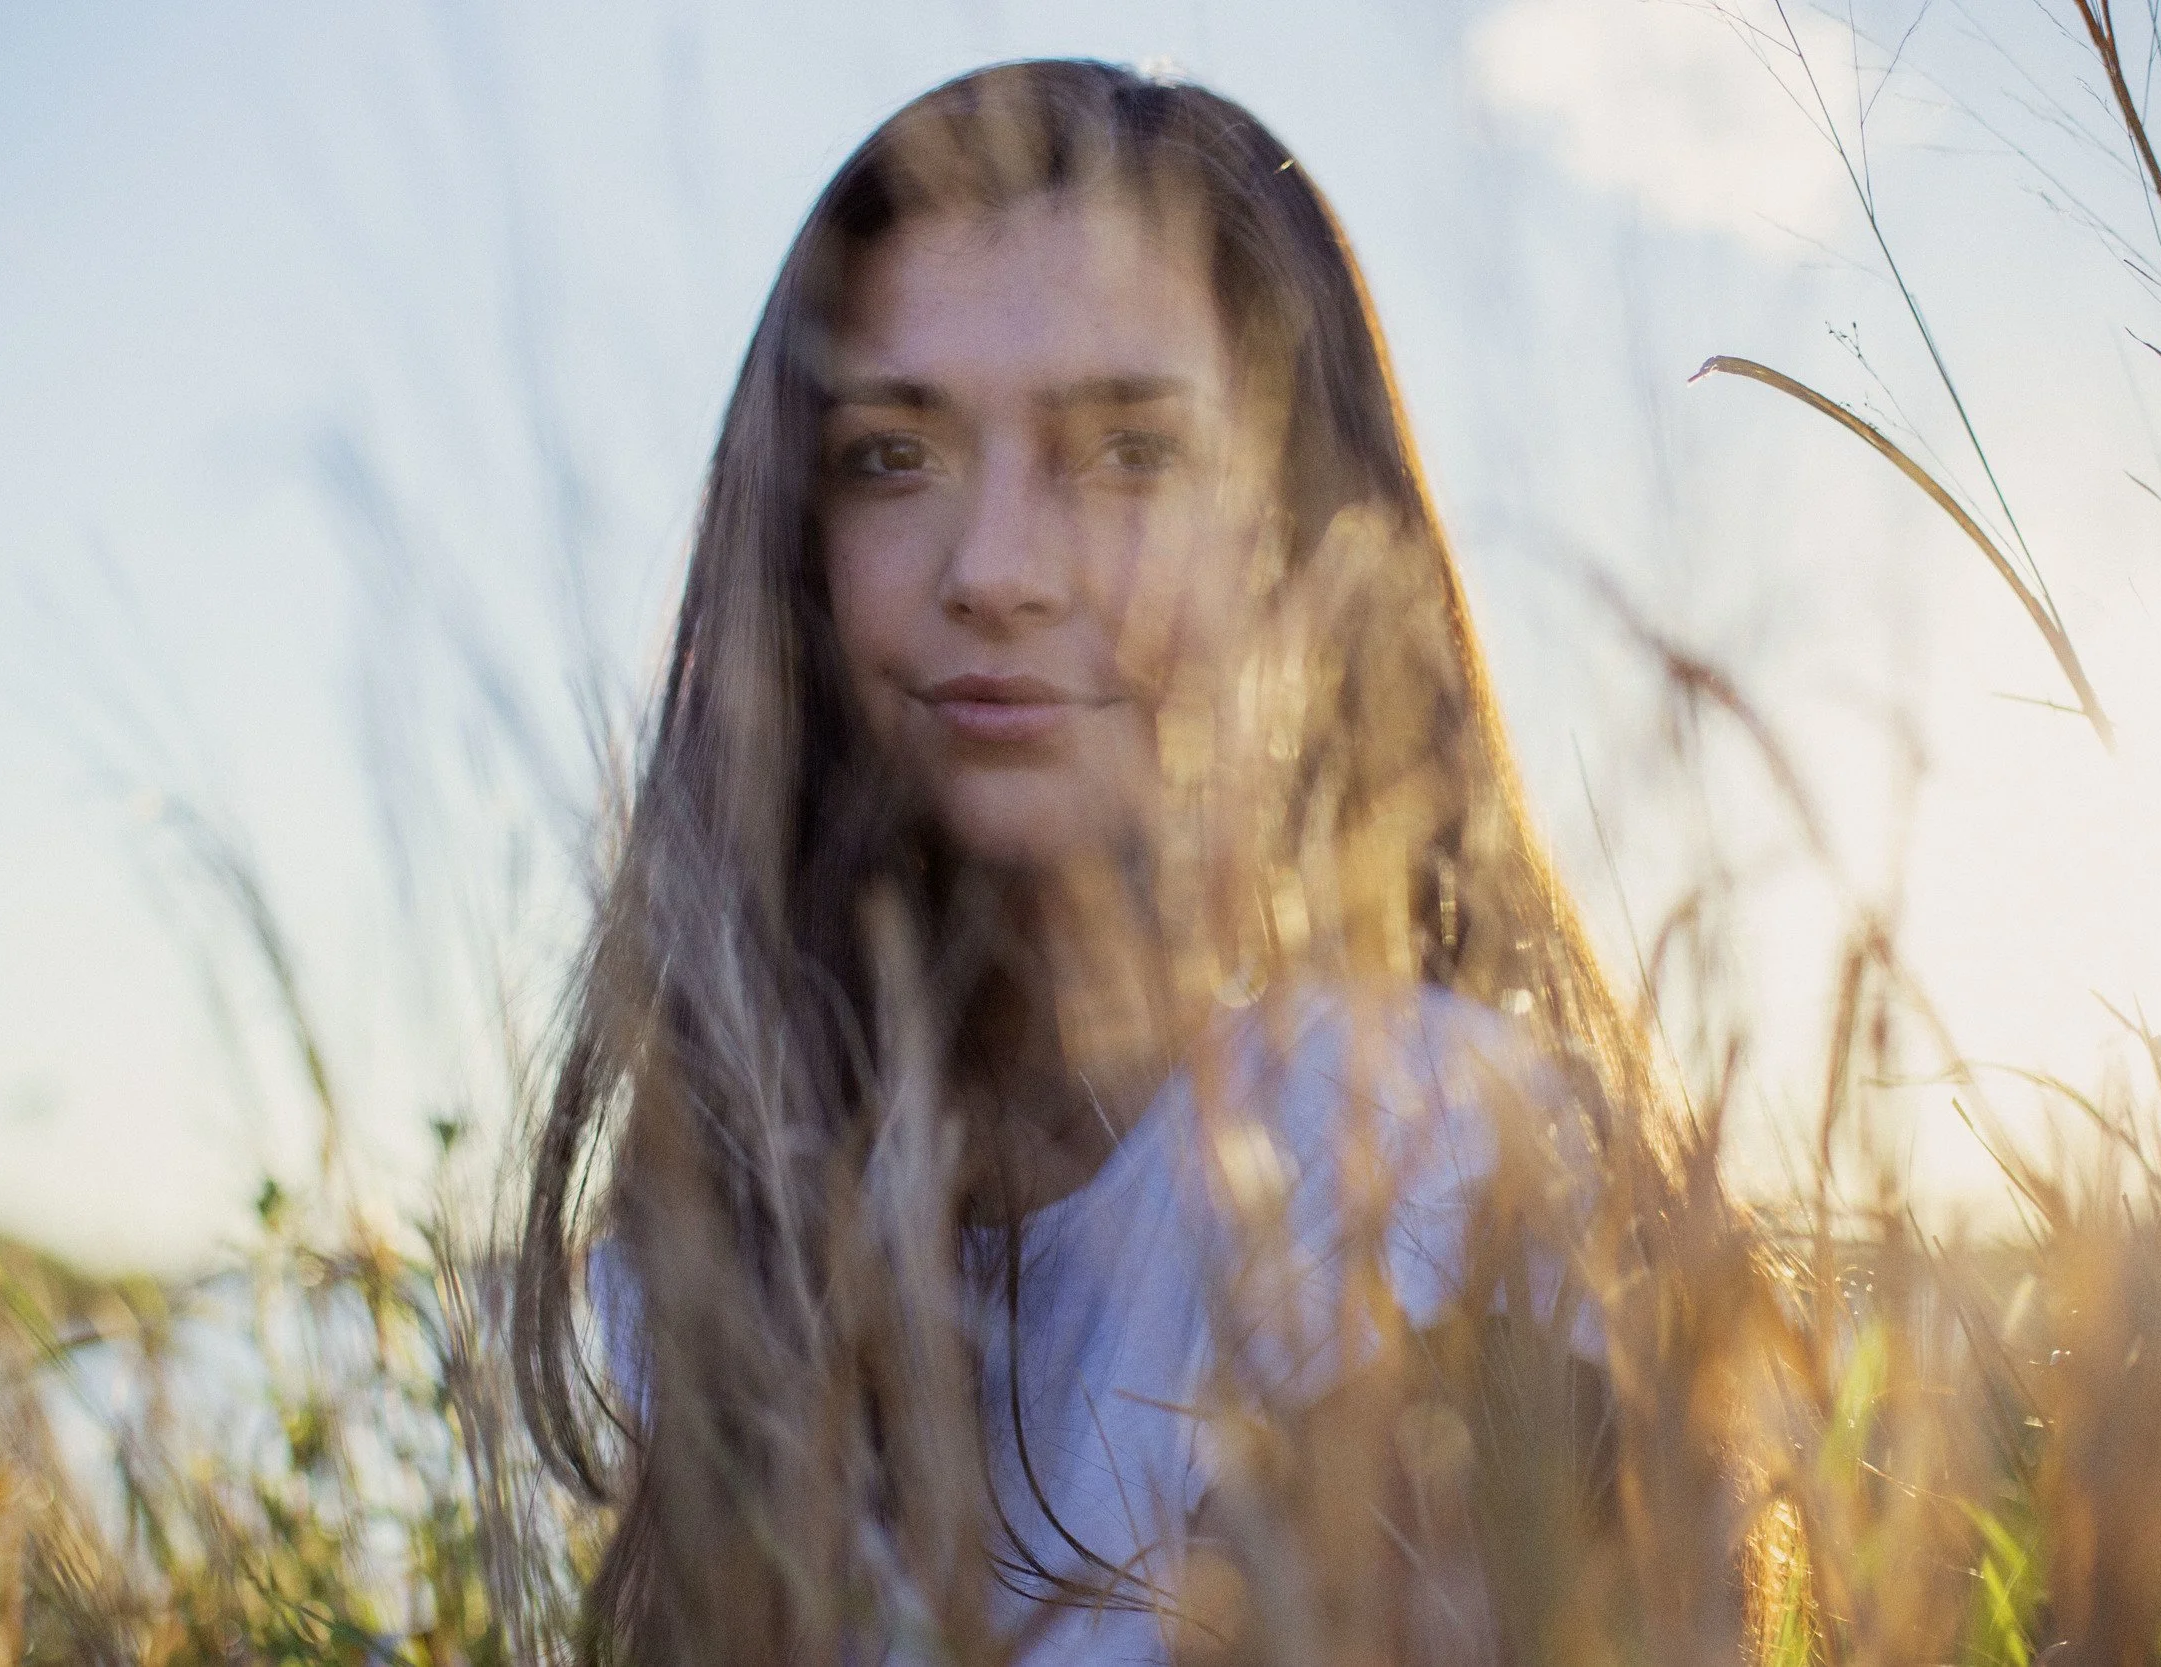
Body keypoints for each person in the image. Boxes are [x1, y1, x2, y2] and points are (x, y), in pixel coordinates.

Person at [514, 58, 1637, 1667]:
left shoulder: (1419, 1154)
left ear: (1290, 528)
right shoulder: (735, 1207)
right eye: (893, 457)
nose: (997, 569)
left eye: (1126, 453)